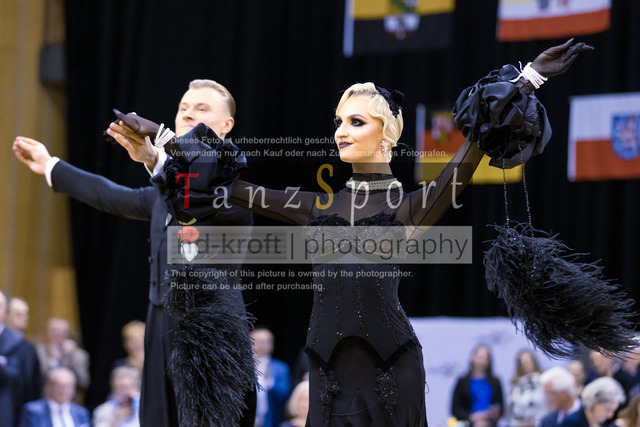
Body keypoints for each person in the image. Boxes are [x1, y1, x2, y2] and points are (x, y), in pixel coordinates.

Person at [110, 40, 592, 425]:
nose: (341, 130)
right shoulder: (315, 207)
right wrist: (161, 142)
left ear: (386, 135)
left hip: (392, 368)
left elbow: (471, 152)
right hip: (325, 374)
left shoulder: (410, 208)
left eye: (356, 121)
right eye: (339, 121)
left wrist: (530, 77)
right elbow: (228, 185)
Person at [12, 79, 256, 426]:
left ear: (227, 125)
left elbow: (198, 186)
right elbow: (112, 195)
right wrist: (50, 164)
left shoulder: (233, 185)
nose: (188, 114)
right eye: (183, 108)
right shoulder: (165, 188)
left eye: (202, 108)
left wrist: (157, 156)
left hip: (209, 330)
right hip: (160, 323)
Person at [0, 291, 42, 427]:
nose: (24, 318)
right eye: (18, 314)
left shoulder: (23, 346)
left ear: (5, 311)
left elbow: (29, 384)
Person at [35, 318, 90, 403]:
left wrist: (71, 358)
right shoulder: (40, 353)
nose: (58, 334)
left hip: (70, 403)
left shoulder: (78, 355)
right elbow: (37, 379)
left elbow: (83, 382)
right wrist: (53, 360)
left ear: (68, 334)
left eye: (62, 332)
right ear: (48, 333)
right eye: (54, 331)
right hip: (44, 401)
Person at [19, 367, 90, 427]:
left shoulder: (81, 413)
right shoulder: (33, 411)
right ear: (48, 387)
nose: (63, 390)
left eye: (68, 386)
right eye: (59, 386)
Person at [452, 345, 504, 426]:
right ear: (472, 358)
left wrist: (489, 415)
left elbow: (501, 408)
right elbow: (455, 409)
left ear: (489, 361)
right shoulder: (462, 382)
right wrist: (471, 417)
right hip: (468, 423)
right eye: (480, 357)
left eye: (485, 358)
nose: (482, 360)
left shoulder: (495, 382)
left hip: (490, 423)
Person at [251, 327, 291, 427]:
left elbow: (285, 396)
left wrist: (270, 381)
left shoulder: (280, 368)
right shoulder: (241, 367)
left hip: (271, 421)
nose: (261, 345)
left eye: (266, 342)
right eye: (258, 341)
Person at [560, 377, 624, 427]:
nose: (610, 415)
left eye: (613, 411)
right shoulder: (571, 423)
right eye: (608, 409)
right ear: (594, 401)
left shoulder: (602, 423)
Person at [507, 349, 546, 427]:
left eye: (527, 362)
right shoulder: (514, 386)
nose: (525, 365)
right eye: (521, 363)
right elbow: (509, 413)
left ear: (534, 362)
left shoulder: (543, 382)